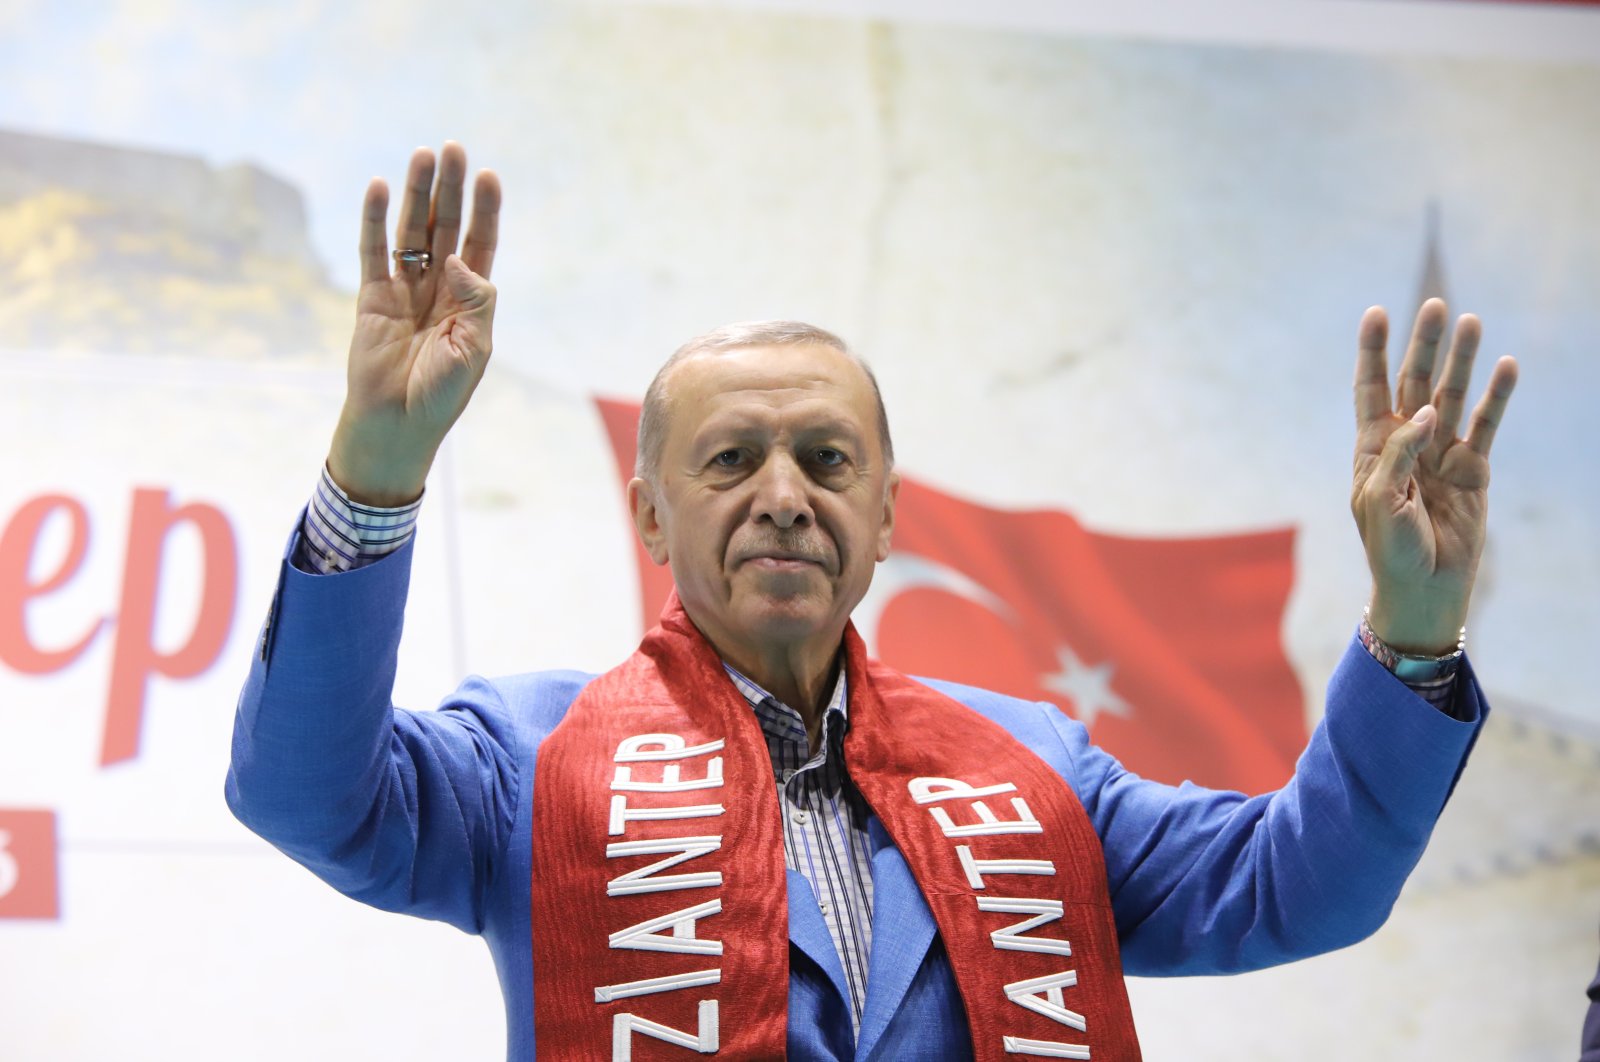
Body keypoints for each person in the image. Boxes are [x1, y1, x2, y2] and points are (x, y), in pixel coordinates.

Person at [226, 143, 1518, 1061]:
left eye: (828, 460)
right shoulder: (531, 754)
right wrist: (374, 480)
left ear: (887, 514)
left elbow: (1307, 887)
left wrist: (1413, 636)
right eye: (731, 458)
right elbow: (305, 791)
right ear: (650, 517)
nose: (785, 494)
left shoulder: (1036, 766)